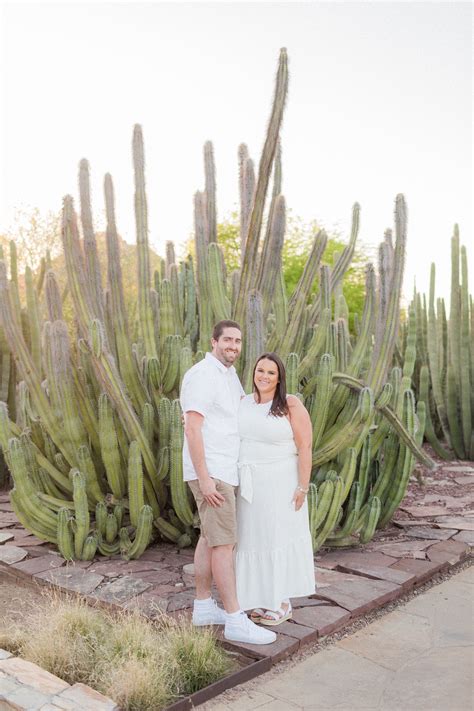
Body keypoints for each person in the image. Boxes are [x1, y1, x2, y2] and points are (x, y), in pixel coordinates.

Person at [180, 321, 276, 645]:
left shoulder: (227, 374)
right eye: (227, 340)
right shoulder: (203, 375)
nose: (233, 346)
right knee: (224, 545)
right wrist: (205, 479)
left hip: (224, 470)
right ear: (214, 341)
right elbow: (192, 429)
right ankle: (236, 619)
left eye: (237, 341)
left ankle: (204, 606)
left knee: (209, 538)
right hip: (213, 473)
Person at [235, 352, 316, 625]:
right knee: (253, 539)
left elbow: (304, 446)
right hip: (250, 485)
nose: (264, 376)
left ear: (279, 377)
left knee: (277, 537)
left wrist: (302, 487)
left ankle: (281, 601)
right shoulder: (244, 402)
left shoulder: (290, 404)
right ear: (253, 372)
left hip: (281, 481)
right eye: (260, 370)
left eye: (271, 372)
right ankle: (260, 599)